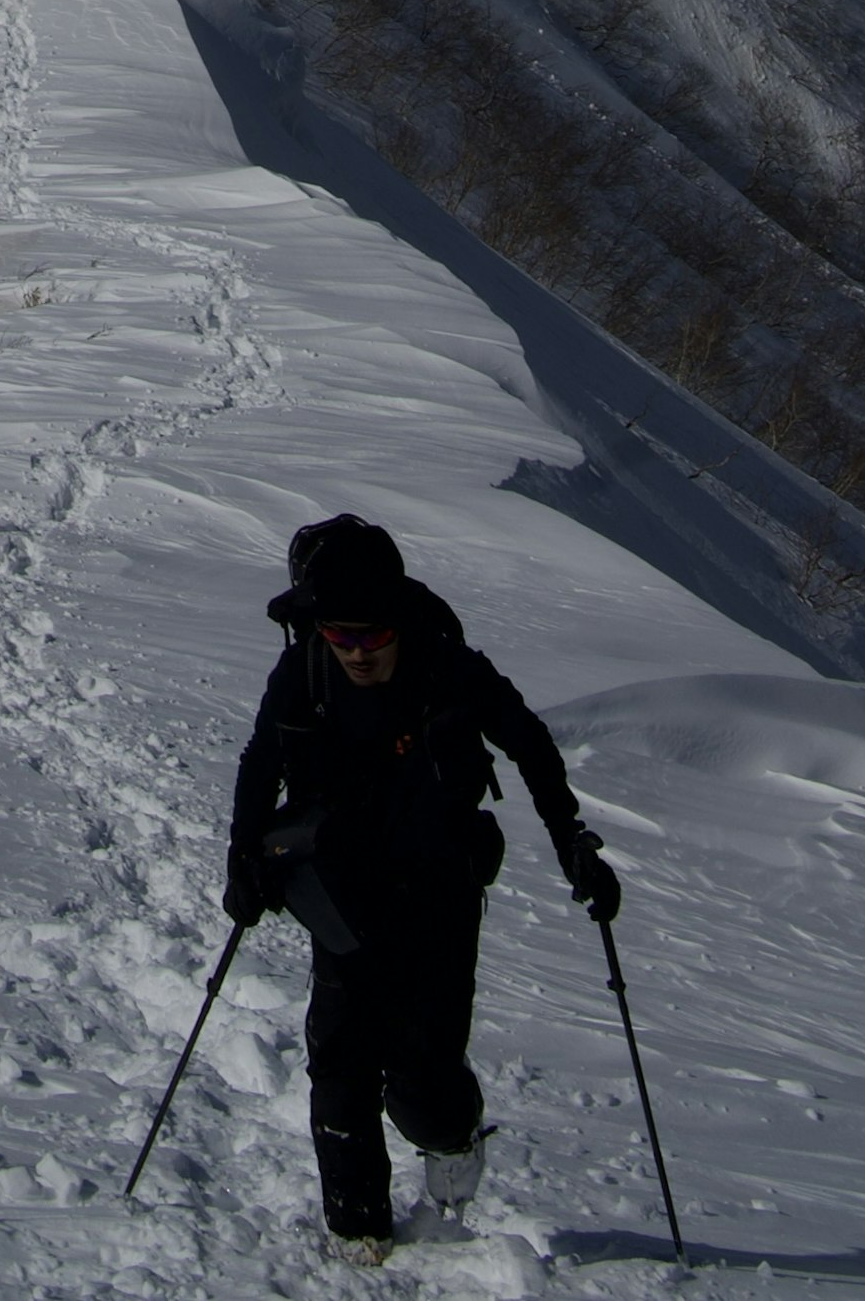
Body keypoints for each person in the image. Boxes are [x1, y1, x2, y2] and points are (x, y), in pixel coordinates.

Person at [225, 511, 623, 1256]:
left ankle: (454, 1135)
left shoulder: (448, 666)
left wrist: (573, 841)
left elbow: (530, 742)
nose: (358, 651)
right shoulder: (304, 668)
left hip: (438, 883)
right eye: (342, 636)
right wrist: (241, 856)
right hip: (340, 883)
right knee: (340, 1057)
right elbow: (261, 760)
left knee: (424, 1076)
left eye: (373, 635)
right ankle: (357, 1228)